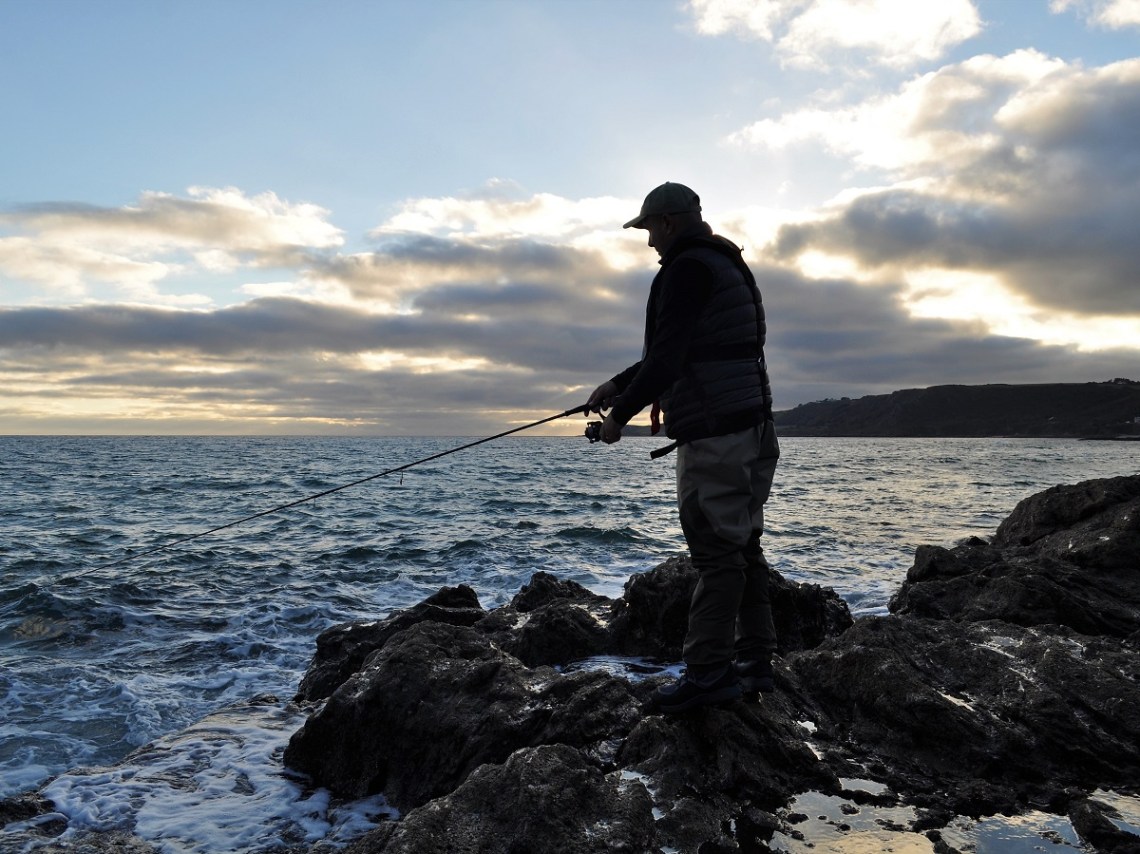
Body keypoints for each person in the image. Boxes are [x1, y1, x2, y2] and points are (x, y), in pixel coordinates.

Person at [586, 181, 780, 714]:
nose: (647, 241)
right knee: (742, 548)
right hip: (752, 426)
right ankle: (756, 662)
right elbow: (689, 347)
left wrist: (618, 417)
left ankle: (708, 675)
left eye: (648, 229)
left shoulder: (686, 269)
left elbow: (669, 360)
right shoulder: (719, 263)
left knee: (718, 555)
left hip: (716, 433)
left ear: (668, 222)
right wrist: (617, 383)